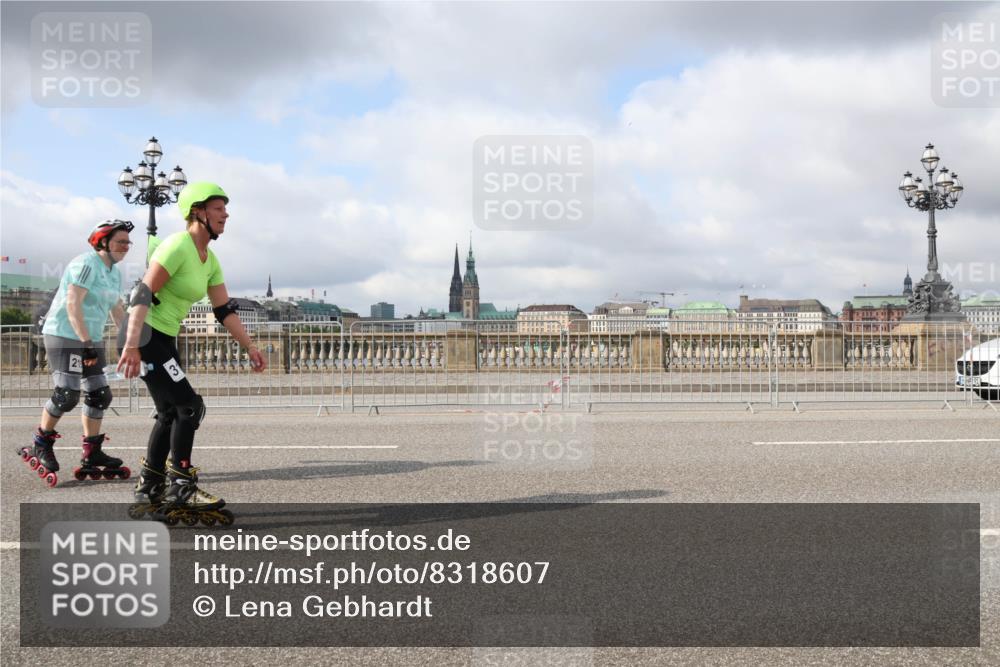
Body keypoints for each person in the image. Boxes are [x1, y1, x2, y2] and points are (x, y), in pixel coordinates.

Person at [118, 182, 266, 525]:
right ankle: (181, 484)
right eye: (218, 208)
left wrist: (251, 346)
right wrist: (131, 344)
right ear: (197, 212)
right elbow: (141, 292)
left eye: (225, 208)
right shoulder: (177, 246)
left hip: (164, 337)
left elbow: (224, 310)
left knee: (170, 412)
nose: (226, 214)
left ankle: (149, 486)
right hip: (145, 334)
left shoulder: (209, 259)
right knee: (189, 405)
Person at [18, 220, 134, 487]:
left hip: (88, 338)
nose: (127, 247)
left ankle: (91, 452)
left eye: (129, 242)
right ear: (103, 242)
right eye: (121, 241)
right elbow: (72, 304)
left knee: (99, 394)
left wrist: (130, 341)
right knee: (67, 395)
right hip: (64, 334)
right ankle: (40, 442)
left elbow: (117, 309)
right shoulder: (85, 264)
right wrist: (86, 342)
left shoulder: (114, 273)